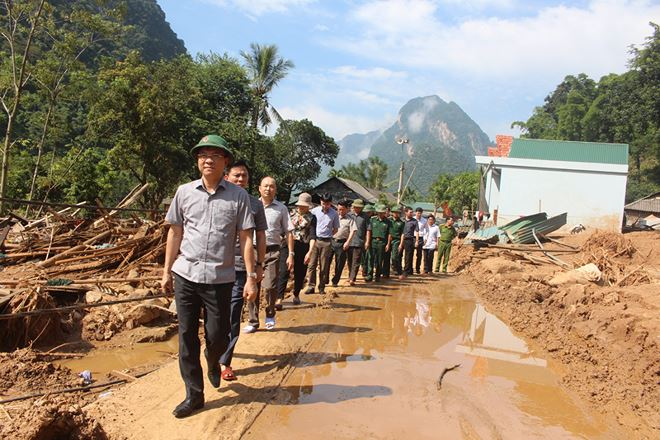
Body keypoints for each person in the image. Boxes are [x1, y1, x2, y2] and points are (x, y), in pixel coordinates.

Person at [161, 134, 256, 419]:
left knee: (218, 335)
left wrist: (251, 277)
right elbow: (174, 232)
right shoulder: (184, 192)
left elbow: (246, 237)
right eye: (203, 155)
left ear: (224, 161)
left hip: (220, 277)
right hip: (186, 275)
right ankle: (194, 395)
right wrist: (166, 271)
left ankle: (213, 361)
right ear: (197, 161)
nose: (208, 159)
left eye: (215, 155)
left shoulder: (238, 196)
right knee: (187, 336)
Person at [218, 160, 267, 382]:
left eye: (244, 176)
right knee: (215, 315)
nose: (241, 179)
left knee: (233, 313)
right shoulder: (218, 198)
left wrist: (258, 266)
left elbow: (261, 236)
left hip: (240, 267)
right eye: (237, 175)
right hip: (216, 265)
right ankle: (214, 353)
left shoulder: (255, 204)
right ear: (226, 177)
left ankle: (225, 361)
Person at [245, 177, 293, 333]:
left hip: (272, 250)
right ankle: (253, 321)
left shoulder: (281, 208)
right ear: (259, 188)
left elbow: (288, 231)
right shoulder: (251, 205)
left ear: (275, 190)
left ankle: (270, 315)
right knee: (253, 283)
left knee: (270, 285)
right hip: (252, 250)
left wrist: (291, 253)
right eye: (265, 186)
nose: (268, 189)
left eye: (272, 186)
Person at [304, 193, 339, 295]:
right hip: (314, 241)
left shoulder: (334, 214)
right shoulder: (314, 212)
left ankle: (322, 287)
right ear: (320, 202)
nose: (325, 206)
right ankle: (311, 286)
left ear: (330, 203)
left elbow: (336, 229)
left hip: (326, 242)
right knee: (312, 265)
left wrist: (328, 235)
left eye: (327, 204)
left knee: (324, 266)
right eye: (323, 203)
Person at [290, 193, 316, 304]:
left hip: (303, 246)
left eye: (305, 206)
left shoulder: (312, 218)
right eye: (300, 205)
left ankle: (296, 293)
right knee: (284, 270)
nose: (302, 208)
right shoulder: (290, 214)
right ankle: (279, 297)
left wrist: (309, 252)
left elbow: (312, 236)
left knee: (300, 272)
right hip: (289, 244)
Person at [331, 200, 357, 287]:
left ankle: (335, 280)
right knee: (326, 261)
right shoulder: (333, 216)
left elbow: (353, 231)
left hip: (342, 243)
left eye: (342, 209)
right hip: (331, 241)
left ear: (347, 209)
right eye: (338, 209)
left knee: (339, 263)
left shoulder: (350, 219)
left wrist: (348, 242)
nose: (340, 211)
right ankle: (324, 279)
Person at [346, 199, 371, 286]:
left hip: (359, 242)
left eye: (358, 207)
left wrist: (367, 241)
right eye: (355, 207)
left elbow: (368, 230)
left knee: (356, 261)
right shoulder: (349, 215)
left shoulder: (365, 217)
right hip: (349, 241)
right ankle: (350, 276)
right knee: (349, 261)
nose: (356, 209)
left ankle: (352, 278)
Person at [365, 204, 391, 282]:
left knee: (379, 260)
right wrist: (367, 242)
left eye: (382, 212)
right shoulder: (372, 220)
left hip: (382, 242)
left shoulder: (388, 222)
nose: (380, 214)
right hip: (373, 241)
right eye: (379, 212)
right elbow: (369, 231)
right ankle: (369, 275)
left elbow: (389, 234)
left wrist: (388, 244)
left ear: (384, 213)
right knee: (370, 259)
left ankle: (377, 276)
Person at [398, 206, 419, 280]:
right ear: (406, 212)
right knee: (398, 255)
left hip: (409, 240)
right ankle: (399, 270)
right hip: (400, 239)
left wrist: (416, 241)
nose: (412, 213)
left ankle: (406, 272)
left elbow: (417, 231)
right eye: (410, 212)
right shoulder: (401, 220)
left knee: (408, 257)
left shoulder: (414, 221)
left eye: (412, 212)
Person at [361, 204, 376, 280]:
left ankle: (369, 273)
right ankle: (364, 269)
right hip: (362, 240)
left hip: (371, 241)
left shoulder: (374, 220)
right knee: (363, 257)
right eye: (366, 212)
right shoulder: (363, 218)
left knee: (370, 257)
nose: (367, 214)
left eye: (368, 212)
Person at [389, 208, 405, 277]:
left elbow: (402, 234)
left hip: (396, 240)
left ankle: (396, 269)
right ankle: (385, 271)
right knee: (386, 256)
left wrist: (401, 244)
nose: (396, 214)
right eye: (394, 212)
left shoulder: (401, 222)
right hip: (388, 240)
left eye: (397, 212)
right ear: (392, 213)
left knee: (394, 256)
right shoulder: (388, 220)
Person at [414, 207, 428, 274]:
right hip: (412, 237)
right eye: (417, 213)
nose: (418, 214)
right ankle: (409, 269)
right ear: (415, 212)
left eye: (420, 213)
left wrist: (425, 239)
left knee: (419, 254)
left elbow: (426, 231)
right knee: (410, 254)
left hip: (420, 238)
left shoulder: (424, 221)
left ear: (421, 213)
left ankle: (417, 268)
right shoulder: (412, 219)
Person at [381, 206, 392, 278]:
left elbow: (390, 233)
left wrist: (388, 243)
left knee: (387, 257)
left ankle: (386, 273)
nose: (386, 213)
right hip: (380, 241)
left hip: (388, 241)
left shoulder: (390, 221)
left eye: (387, 211)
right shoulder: (377, 219)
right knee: (379, 258)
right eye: (385, 211)